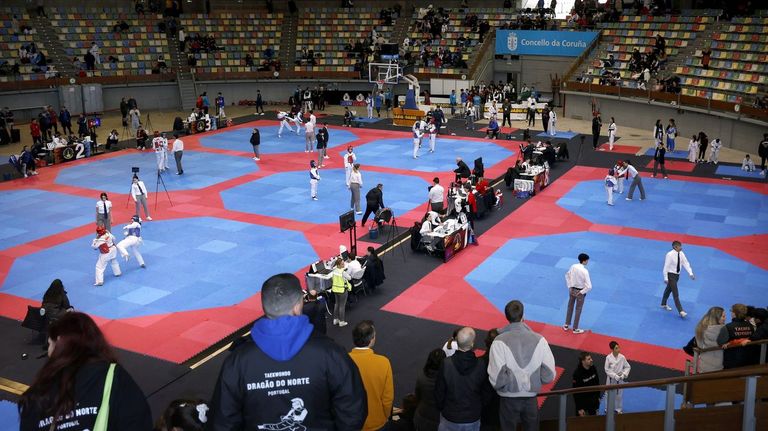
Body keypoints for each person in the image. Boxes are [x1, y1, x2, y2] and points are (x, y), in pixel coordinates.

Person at [208, 273, 367, 429]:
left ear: (265, 307)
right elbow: (353, 413)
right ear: (298, 305)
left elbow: (222, 423)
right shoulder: (331, 353)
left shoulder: (237, 361)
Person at [18, 312, 152, 430]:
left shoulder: (36, 396)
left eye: (50, 344)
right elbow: (139, 421)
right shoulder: (116, 379)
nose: (48, 352)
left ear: (59, 342)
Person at [488, 300, 555, 431]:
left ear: (507, 317)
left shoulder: (498, 341)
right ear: (523, 316)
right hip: (530, 398)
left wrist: (511, 382)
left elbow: (496, 380)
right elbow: (549, 376)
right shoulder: (540, 340)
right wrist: (533, 378)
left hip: (508, 399)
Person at [434, 326, 492, 430]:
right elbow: (486, 392)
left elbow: (439, 392)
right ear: (472, 343)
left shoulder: (446, 364)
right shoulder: (481, 365)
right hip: (472, 417)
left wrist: (443, 408)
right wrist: (478, 407)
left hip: (449, 416)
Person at [349, 320, 394, 431]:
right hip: (377, 421)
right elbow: (387, 398)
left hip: (351, 422)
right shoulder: (383, 362)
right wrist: (386, 415)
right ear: (371, 339)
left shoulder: (343, 361)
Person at [661, 240, 695, 318]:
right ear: (675, 247)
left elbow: (686, 263)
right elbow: (666, 266)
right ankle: (681, 311)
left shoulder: (681, 254)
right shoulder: (669, 255)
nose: (681, 248)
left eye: (681, 246)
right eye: (679, 246)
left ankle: (663, 303)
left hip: (677, 276)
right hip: (671, 275)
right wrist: (665, 277)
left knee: (668, 289)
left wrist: (690, 273)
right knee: (675, 293)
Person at [414, 349, 445, 431]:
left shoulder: (421, 378)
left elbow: (417, 397)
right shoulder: (447, 381)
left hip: (422, 418)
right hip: (440, 421)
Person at [717, 304, 757, 369]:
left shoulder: (728, 327)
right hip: (747, 358)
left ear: (734, 313)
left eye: (731, 311)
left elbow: (720, 342)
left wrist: (729, 343)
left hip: (731, 360)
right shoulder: (751, 326)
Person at [563, 253, 591, 334]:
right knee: (578, 310)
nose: (588, 262)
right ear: (584, 261)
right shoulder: (585, 271)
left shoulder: (573, 266)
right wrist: (581, 292)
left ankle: (566, 324)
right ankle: (575, 329)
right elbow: (589, 286)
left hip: (572, 290)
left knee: (570, 307)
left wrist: (569, 286)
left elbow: (567, 275)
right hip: (580, 292)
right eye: (587, 260)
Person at [693, 306, 726, 373]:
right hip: (719, 365)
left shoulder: (700, 329)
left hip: (704, 364)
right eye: (723, 316)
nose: (725, 318)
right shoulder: (725, 330)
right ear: (717, 318)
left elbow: (700, 346)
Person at [604, 341, 631, 414]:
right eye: (616, 348)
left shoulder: (622, 357)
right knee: (608, 393)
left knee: (619, 394)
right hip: (611, 379)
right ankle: (607, 408)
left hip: (620, 378)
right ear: (612, 349)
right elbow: (607, 369)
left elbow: (627, 367)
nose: (619, 349)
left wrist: (623, 375)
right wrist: (615, 376)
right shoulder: (608, 358)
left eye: (619, 347)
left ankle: (618, 409)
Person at [571, 352, 600, 416]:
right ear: (583, 361)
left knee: (595, 419)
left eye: (591, 358)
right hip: (582, 400)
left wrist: (598, 397)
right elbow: (575, 392)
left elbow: (597, 383)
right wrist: (579, 408)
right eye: (589, 359)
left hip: (593, 399)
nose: (591, 360)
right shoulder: (577, 374)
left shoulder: (593, 368)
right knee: (580, 422)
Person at [331, 258, 352, 327]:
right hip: (342, 290)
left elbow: (332, 279)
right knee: (342, 306)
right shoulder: (343, 272)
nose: (344, 265)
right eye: (342, 264)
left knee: (336, 304)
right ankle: (341, 321)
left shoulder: (334, 270)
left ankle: (335, 319)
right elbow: (349, 278)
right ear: (338, 265)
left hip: (335, 289)